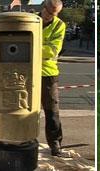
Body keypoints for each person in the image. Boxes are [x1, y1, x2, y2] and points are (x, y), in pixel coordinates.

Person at [40, 0, 66, 157]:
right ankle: (24, 139)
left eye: (54, 14)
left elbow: (53, 50)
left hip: (48, 73)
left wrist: (31, 47)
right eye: (48, 12)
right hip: (28, 71)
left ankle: (55, 144)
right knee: (24, 108)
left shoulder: (59, 25)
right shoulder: (31, 20)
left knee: (52, 111)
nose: (50, 16)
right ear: (43, 8)